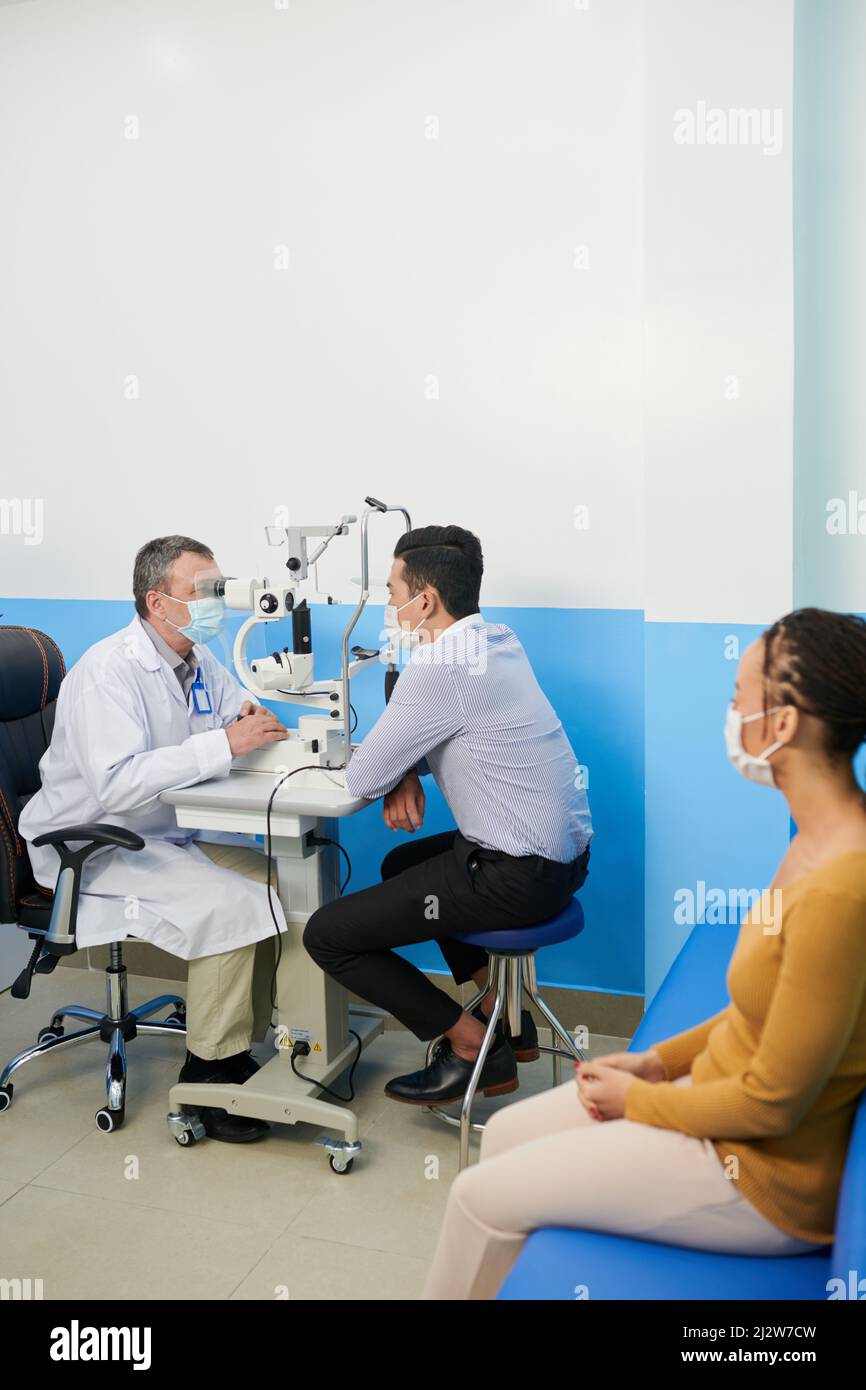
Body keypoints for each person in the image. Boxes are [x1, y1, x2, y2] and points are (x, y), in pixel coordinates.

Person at [421, 607, 866, 1299]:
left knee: (477, 1198)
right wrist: (657, 1063)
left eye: (737, 699)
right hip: (719, 1103)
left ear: (781, 726)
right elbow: (762, 1012)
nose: (729, 715)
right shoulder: (811, 842)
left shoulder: (842, 888)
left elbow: (772, 1106)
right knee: (506, 1135)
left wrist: (641, 1101)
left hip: (761, 1176)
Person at [303, 525, 592, 1104]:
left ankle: (468, 1048)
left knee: (328, 935)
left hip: (512, 876)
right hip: (565, 863)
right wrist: (406, 769)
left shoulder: (436, 668)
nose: (387, 606)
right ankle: (501, 1012)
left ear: (425, 600)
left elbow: (362, 777)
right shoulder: (499, 641)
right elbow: (467, 735)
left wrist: (394, 768)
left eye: (390, 593)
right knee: (403, 862)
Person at [19, 536, 291, 1142]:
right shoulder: (107, 671)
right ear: (157, 601)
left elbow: (237, 717)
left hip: (163, 833)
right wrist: (224, 743)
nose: (220, 601)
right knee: (228, 904)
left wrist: (250, 726)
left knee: (280, 882)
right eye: (206, 591)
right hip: (89, 847)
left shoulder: (197, 656)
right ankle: (208, 1075)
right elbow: (117, 785)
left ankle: (241, 1041)